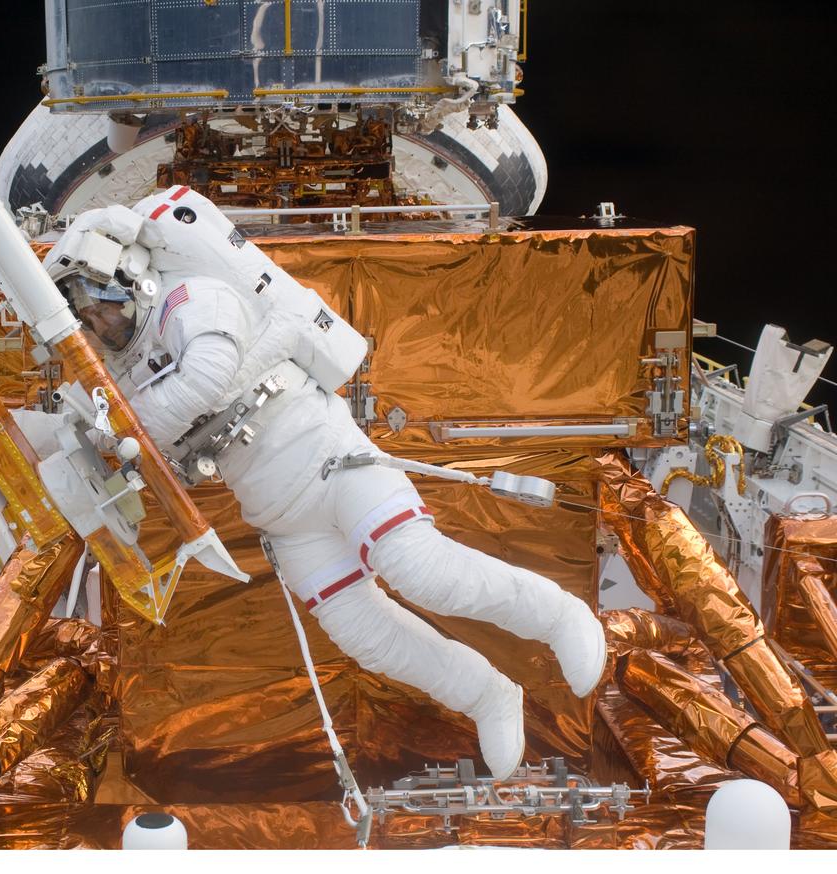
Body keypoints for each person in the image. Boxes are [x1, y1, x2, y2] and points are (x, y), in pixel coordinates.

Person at [40, 189, 606, 780]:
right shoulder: (125, 369)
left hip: (335, 464)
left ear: (130, 277)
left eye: (100, 305)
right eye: (87, 318)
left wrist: (125, 427)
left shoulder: (190, 299)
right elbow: (130, 435)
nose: (100, 323)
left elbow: (205, 377)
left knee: (420, 572)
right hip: (284, 519)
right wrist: (104, 433)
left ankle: (560, 618)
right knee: (367, 635)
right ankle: (487, 695)